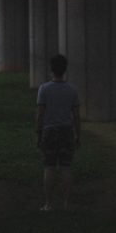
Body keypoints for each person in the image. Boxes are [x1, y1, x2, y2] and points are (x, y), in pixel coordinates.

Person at [35, 53, 80, 211]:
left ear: (51, 69)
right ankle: (67, 204)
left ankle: (49, 204)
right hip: (67, 131)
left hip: (49, 131)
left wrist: (38, 134)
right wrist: (77, 135)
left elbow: (40, 114)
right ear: (65, 69)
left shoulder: (44, 89)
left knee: (49, 167)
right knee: (66, 167)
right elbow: (76, 116)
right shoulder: (72, 89)